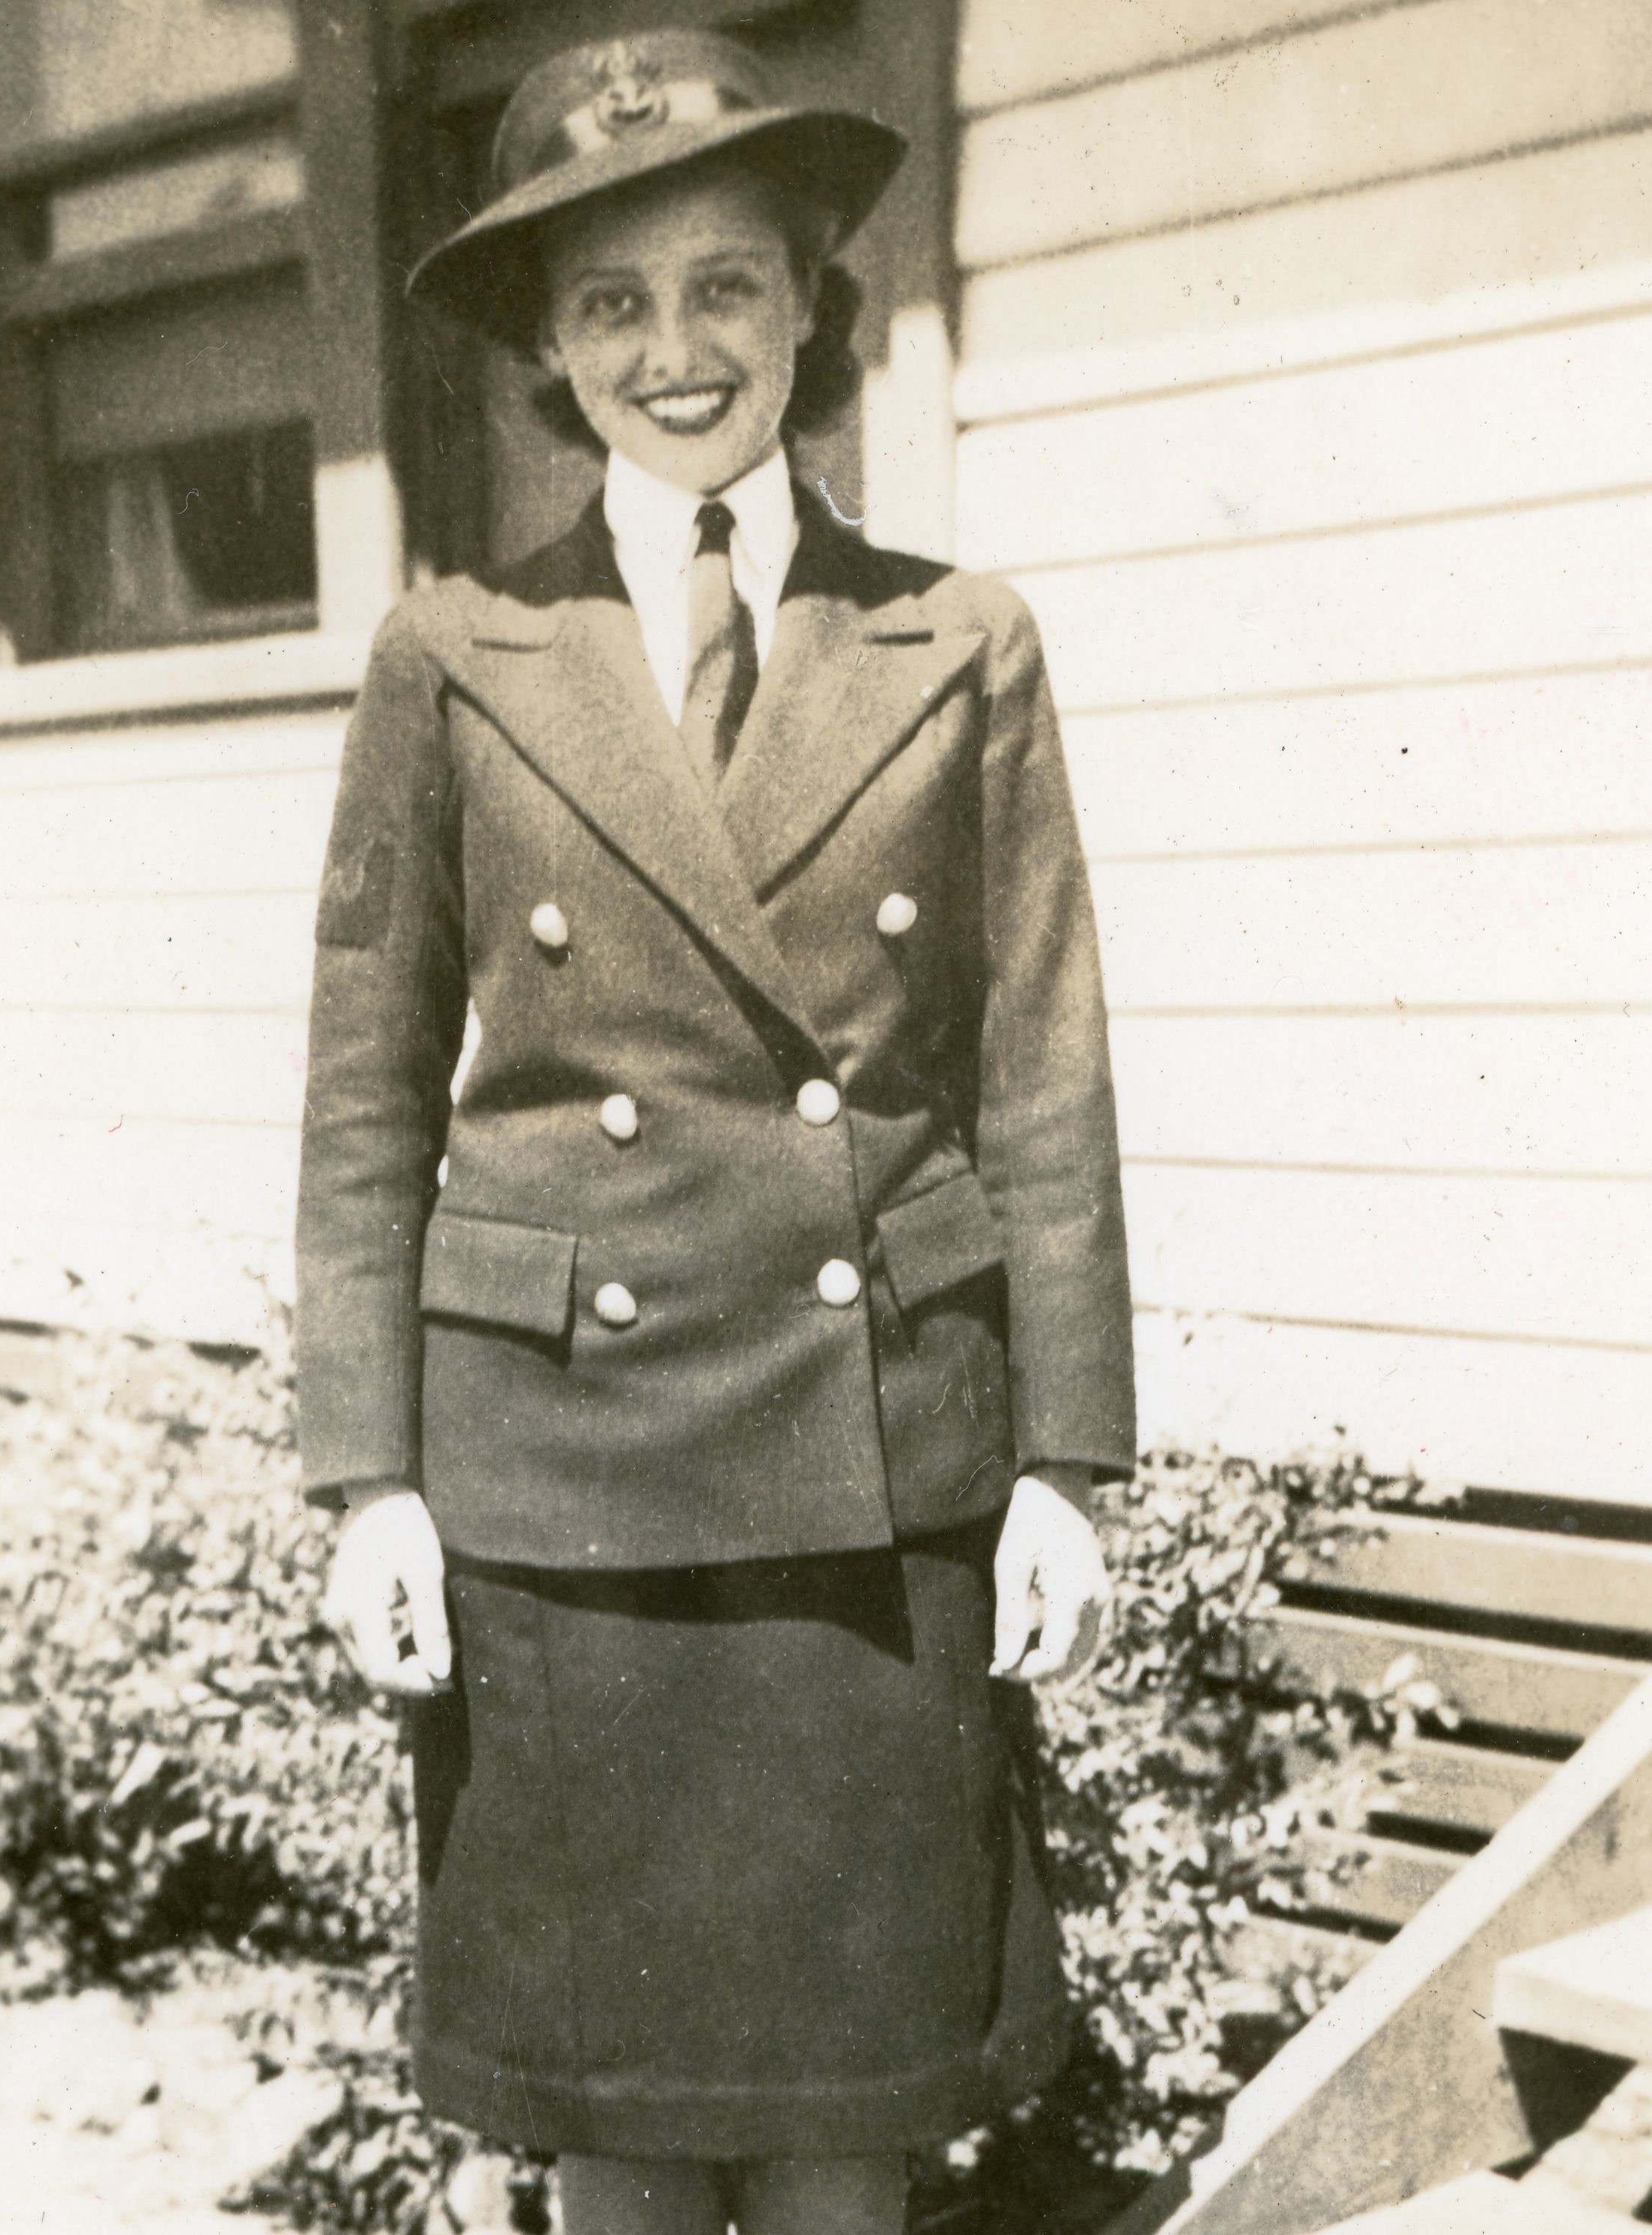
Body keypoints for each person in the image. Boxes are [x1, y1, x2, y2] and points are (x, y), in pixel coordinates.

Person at [293, 29, 1135, 2235]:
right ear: (552, 357)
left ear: (809, 308)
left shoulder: (959, 643)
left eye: (726, 287)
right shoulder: (456, 654)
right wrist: (369, 1478)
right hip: (570, 1485)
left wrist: (1068, 1466)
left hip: (873, 1480)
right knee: (623, 2154)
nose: (676, 353)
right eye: (612, 305)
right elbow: (366, 1096)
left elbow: (1045, 1068)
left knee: (858, 2151)